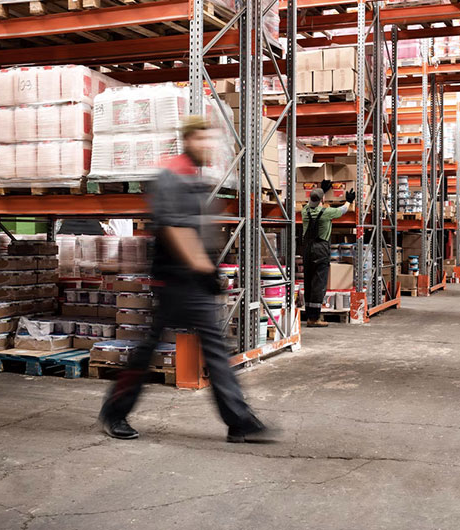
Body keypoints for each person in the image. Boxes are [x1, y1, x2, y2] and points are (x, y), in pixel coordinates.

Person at [99, 116, 269, 444]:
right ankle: (114, 412)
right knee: (150, 349)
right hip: (175, 280)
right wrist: (205, 269)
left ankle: (239, 420)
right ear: (188, 140)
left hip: (194, 279)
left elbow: (199, 230)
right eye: (202, 139)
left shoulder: (193, 178)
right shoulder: (172, 176)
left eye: (211, 140)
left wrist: (209, 268)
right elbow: (175, 230)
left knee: (214, 347)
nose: (208, 146)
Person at [301, 182, 355, 327]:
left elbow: (312, 203)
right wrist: (349, 200)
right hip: (320, 250)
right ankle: (314, 318)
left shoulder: (305, 211)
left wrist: (322, 191)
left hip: (307, 250)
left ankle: (309, 315)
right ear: (322, 200)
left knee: (308, 281)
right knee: (319, 283)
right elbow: (343, 210)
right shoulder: (327, 213)